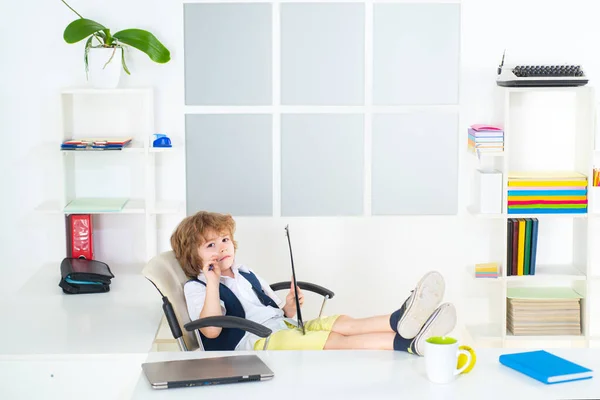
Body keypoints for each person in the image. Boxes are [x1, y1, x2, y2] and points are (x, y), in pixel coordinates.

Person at [171, 211, 457, 356]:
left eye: (225, 240)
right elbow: (209, 330)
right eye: (210, 245)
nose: (222, 248)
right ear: (193, 258)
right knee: (335, 341)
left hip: (281, 328)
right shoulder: (197, 288)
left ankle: (401, 320)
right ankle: (406, 343)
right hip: (257, 343)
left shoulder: (245, 272)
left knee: (342, 322)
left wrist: (289, 307)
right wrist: (211, 282)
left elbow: (278, 314)